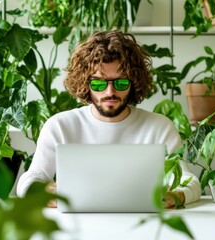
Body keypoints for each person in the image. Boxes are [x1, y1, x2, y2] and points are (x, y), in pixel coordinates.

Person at [16, 30, 201, 207]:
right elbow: (30, 179)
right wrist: (42, 191)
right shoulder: (60, 126)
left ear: (134, 82)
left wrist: (175, 197)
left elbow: (190, 181)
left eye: (121, 82)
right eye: (98, 83)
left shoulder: (159, 128)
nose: (110, 92)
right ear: (85, 83)